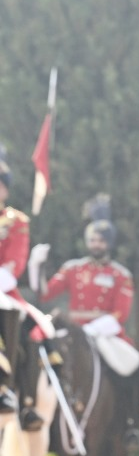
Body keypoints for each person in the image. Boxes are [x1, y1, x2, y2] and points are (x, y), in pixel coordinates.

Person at [41, 203, 139, 449]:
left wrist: (93, 329)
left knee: (134, 365)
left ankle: (130, 423)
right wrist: (37, 268)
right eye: (92, 240)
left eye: (101, 240)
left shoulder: (120, 274)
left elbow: (121, 312)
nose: (96, 244)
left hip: (105, 332)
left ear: (108, 243)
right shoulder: (72, 268)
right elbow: (47, 293)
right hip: (72, 333)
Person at [0, 147, 27, 415]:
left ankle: (11, 391)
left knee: (35, 332)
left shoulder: (16, 221)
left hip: (4, 289)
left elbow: (13, 266)